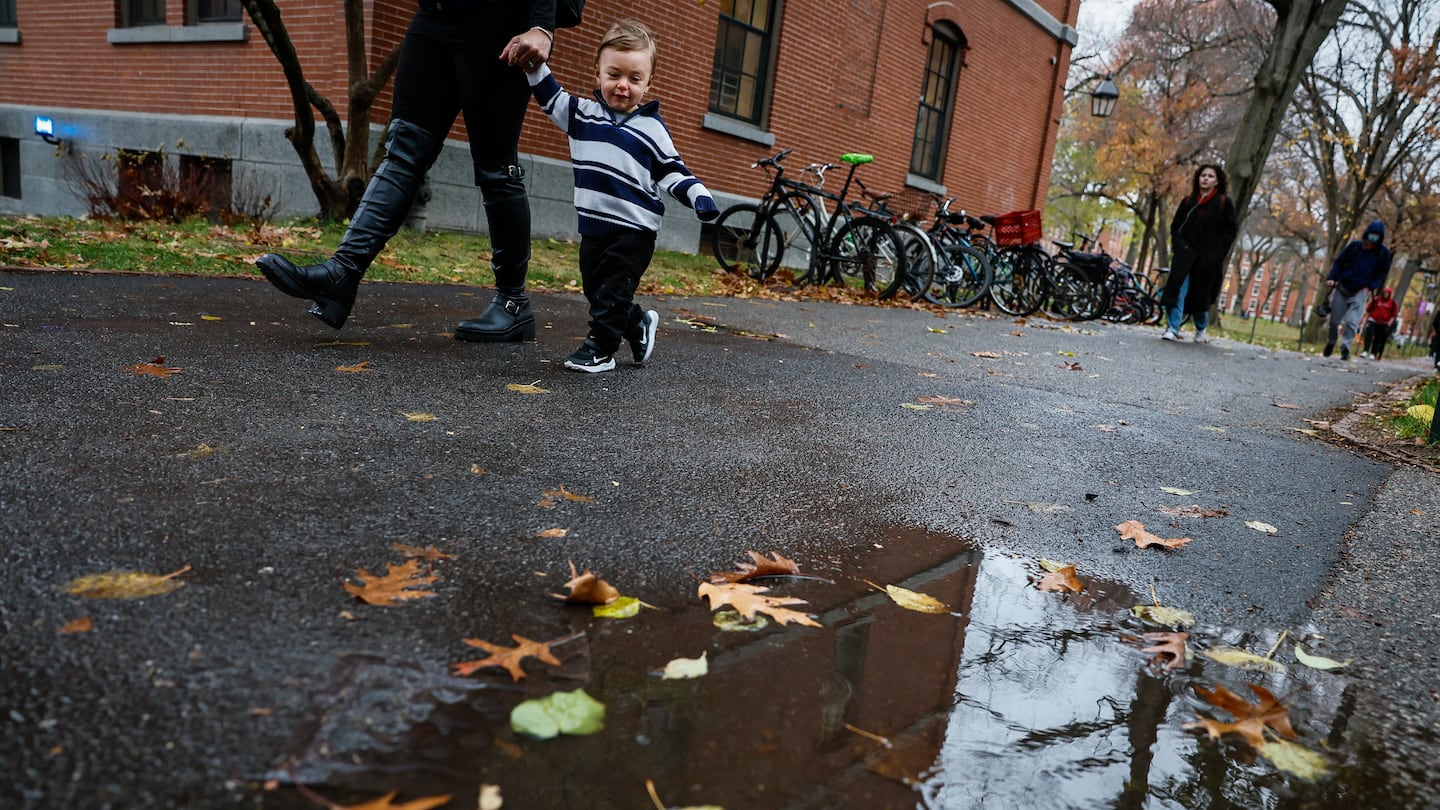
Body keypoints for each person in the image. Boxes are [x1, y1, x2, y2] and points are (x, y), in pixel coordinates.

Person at [253, 0, 558, 342]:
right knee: (403, 150)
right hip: (435, 16)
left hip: (499, 24)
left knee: (496, 167)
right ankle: (342, 274)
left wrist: (542, 26)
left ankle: (512, 304)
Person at [521, 19, 718, 373]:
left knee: (611, 292)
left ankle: (601, 349)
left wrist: (698, 195)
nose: (623, 86)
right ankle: (638, 324)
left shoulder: (651, 129)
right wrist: (535, 66)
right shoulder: (582, 114)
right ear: (597, 75)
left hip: (634, 230)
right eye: (614, 75)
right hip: (593, 226)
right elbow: (550, 99)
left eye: (634, 79)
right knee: (599, 292)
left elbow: (672, 170)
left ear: (648, 84)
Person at [1160, 164, 1238, 344]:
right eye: (1203, 175)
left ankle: (1201, 328)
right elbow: (1176, 227)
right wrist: (1179, 247)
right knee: (1178, 289)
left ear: (1217, 181)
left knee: (1201, 294)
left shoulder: (1224, 204)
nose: (1205, 178)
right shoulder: (1188, 201)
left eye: (1210, 176)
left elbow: (1229, 232)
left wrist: (1216, 254)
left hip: (1208, 259)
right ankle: (1172, 327)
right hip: (1185, 255)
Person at [1323, 220, 1393, 361]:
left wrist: (1371, 286)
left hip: (1361, 290)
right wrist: (1332, 277)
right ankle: (1331, 341)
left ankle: (1346, 347)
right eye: (1372, 234)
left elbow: (1382, 272)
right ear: (1367, 234)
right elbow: (1339, 262)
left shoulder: (1382, 253)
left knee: (1351, 321)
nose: (1373, 238)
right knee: (1334, 320)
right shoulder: (1355, 247)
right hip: (1343, 286)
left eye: (1377, 235)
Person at [1359, 286, 1399, 360]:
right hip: (1372, 320)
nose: (1386, 294)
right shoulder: (1376, 300)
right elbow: (1368, 310)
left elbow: (1393, 315)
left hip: (1383, 323)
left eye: (1388, 293)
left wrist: (1388, 324)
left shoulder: (1393, 303)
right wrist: (1363, 321)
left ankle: (1373, 353)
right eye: (1385, 293)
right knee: (1369, 334)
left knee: (1378, 338)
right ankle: (1365, 350)